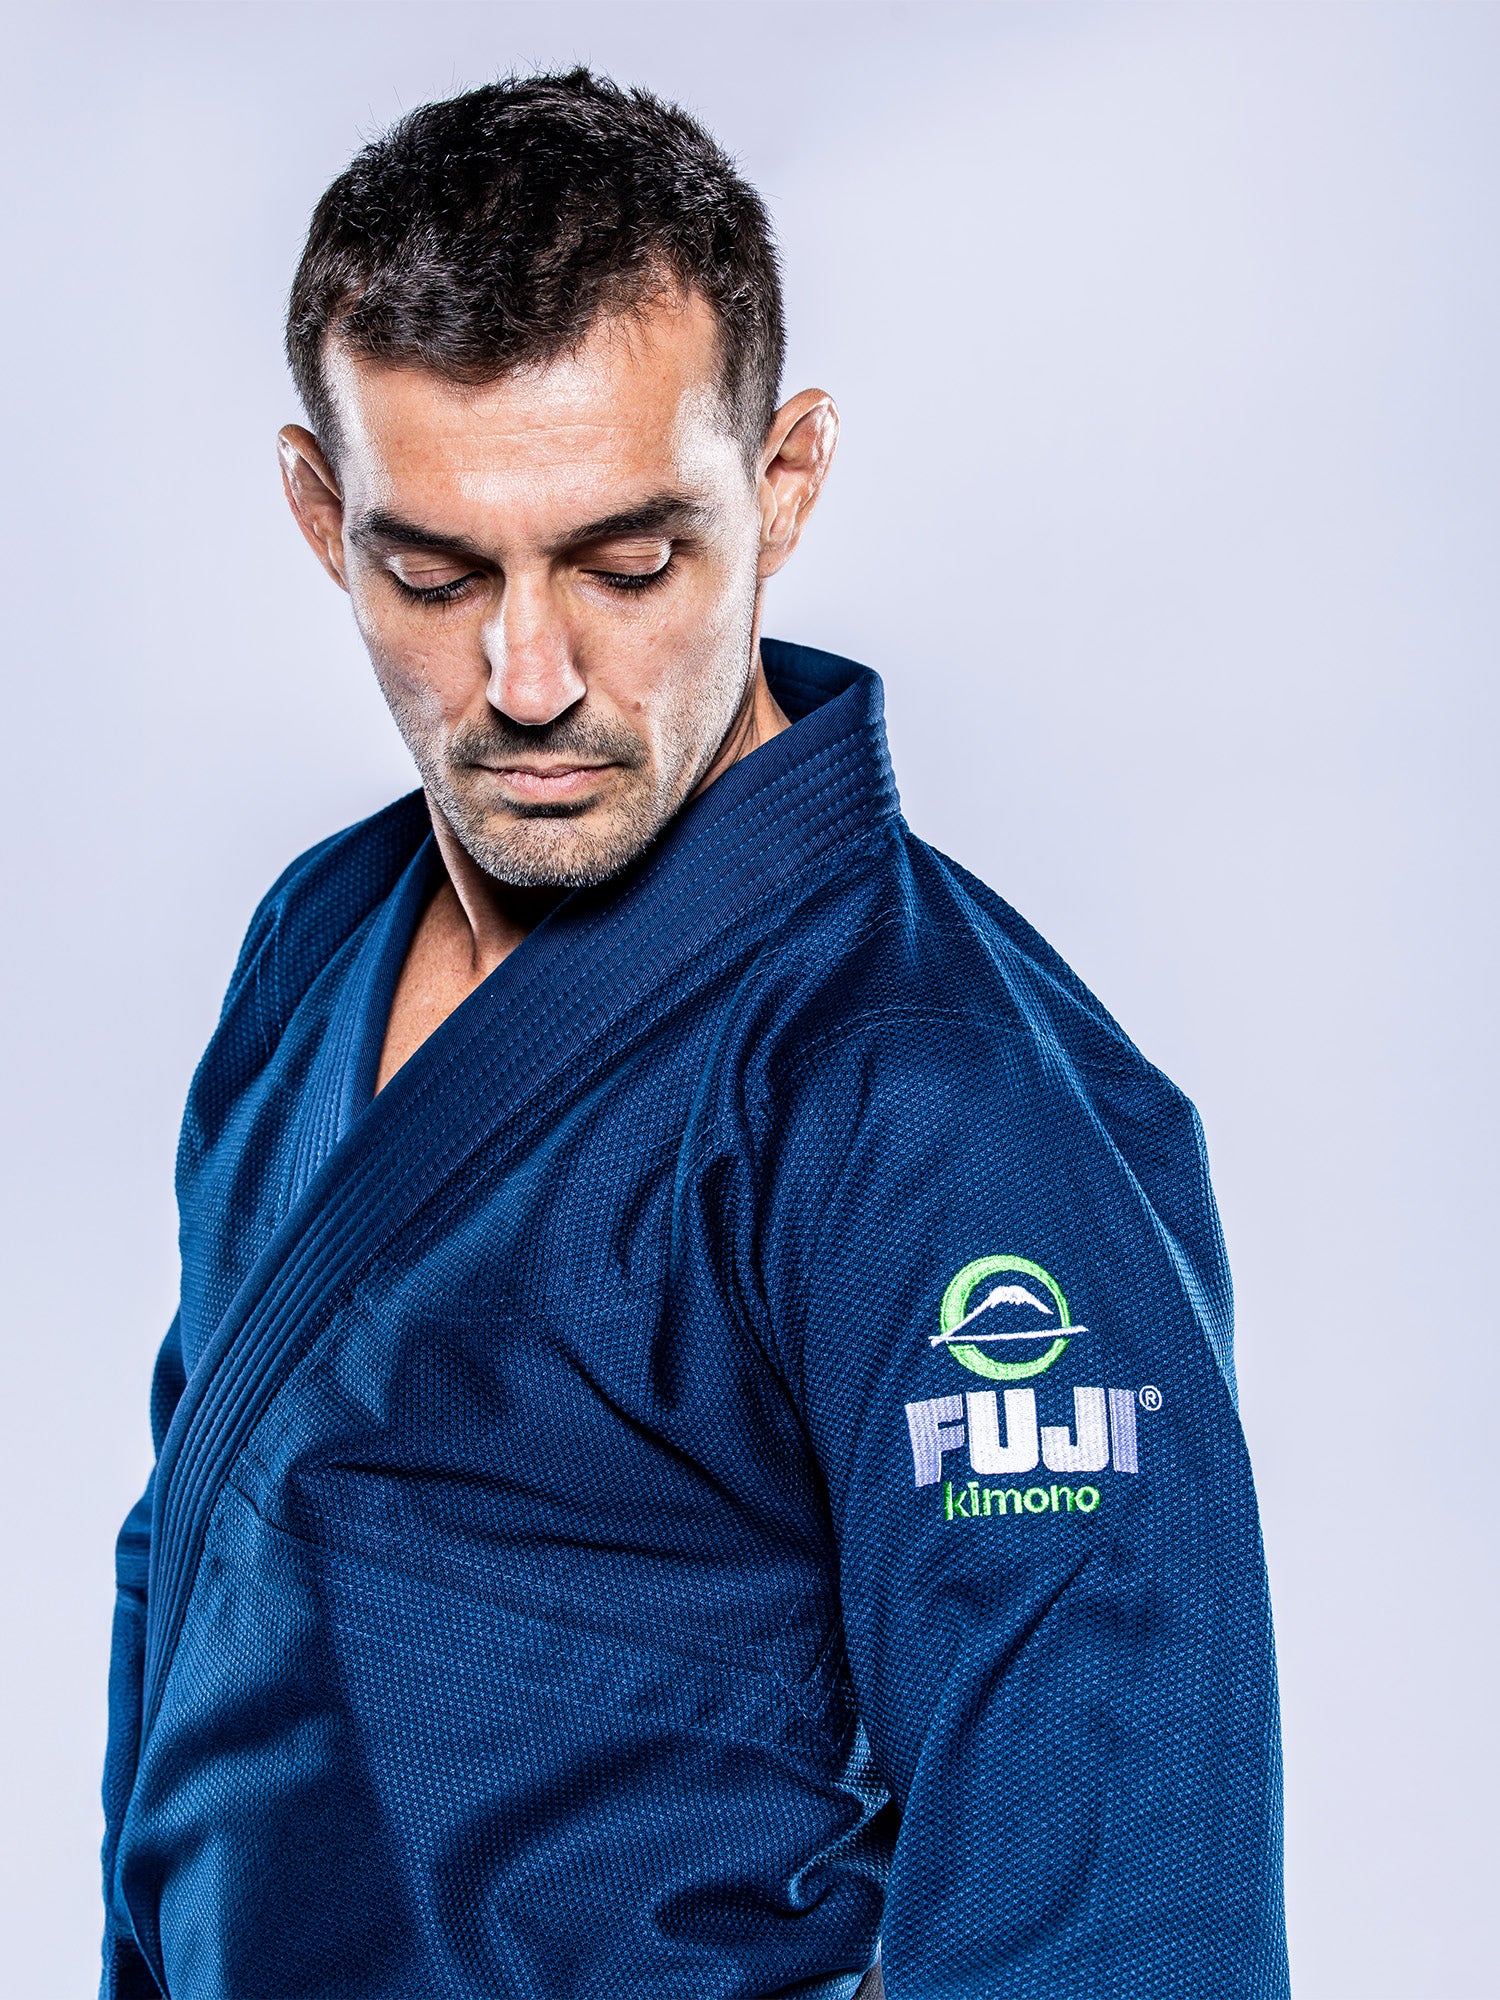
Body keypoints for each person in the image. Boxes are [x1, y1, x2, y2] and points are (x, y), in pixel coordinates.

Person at [100, 69, 1289, 2000]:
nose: (529, 678)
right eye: (435, 572)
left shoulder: (929, 1102)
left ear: (783, 486)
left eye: (629, 564)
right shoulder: (313, 946)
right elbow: (195, 1617)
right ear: (324, 515)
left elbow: (1113, 1908)